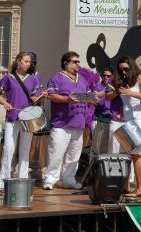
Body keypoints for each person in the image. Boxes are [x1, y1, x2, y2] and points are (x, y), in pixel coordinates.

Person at [0, 51, 46, 190]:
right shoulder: (8, 78)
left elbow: (34, 98)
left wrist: (41, 97)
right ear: (18, 61)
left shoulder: (33, 79)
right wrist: (4, 103)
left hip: (27, 119)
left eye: (30, 62)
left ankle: (22, 180)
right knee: (9, 149)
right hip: (12, 117)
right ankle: (3, 181)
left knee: (25, 150)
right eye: (26, 61)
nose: (28, 64)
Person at [42, 51, 89, 190]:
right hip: (61, 124)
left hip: (78, 124)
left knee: (73, 156)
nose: (78, 64)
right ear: (66, 63)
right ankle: (50, 179)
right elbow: (50, 95)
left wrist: (94, 98)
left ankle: (69, 180)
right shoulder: (56, 78)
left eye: (78, 61)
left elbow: (85, 96)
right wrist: (66, 99)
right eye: (75, 61)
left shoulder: (82, 80)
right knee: (56, 153)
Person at [106, 56, 141, 197]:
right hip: (129, 120)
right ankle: (125, 187)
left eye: (126, 68)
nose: (124, 72)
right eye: (121, 70)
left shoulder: (140, 78)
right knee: (124, 155)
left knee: (136, 154)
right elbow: (108, 97)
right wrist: (116, 91)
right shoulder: (118, 80)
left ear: (131, 66)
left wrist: (130, 92)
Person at [93, 67, 123, 154]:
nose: (106, 77)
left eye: (108, 76)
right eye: (104, 75)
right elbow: (94, 97)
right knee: (97, 148)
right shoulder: (98, 86)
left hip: (112, 120)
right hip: (99, 119)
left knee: (110, 148)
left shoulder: (115, 86)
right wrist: (110, 90)